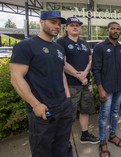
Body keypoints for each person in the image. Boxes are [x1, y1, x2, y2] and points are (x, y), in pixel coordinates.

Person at [9, 11, 74, 156]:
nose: (57, 26)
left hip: (63, 106)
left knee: (62, 147)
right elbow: (16, 78)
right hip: (43, 110)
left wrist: (68, 98)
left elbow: (61, 73)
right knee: (42, 151)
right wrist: (36, 104)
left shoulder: (58, 48)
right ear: (42, 22)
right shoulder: (25, 46)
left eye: (59, 24)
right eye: (53, 22)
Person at [56, 17, 99, 146]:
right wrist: (78, 75)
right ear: (67, 28)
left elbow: (91, 60)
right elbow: (62, 63)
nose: (75, 27)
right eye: (72, 25)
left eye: (77, 25)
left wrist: (85, 73)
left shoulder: (84, 43)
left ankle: (85, 135)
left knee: (85, 110)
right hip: (70, 85)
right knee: (69, 114)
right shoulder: (61, 42)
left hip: (85, 83)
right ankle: (65, 141)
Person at [92, 22, 121, 157]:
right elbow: (95, 69)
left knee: (115, 114)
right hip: (106, 89)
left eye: (118, 29)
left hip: (119, 87)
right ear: (108, 30)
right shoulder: (100, 47)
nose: (116, 31)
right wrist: (100, 89)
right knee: (103, 116)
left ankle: (112, 135)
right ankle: (102, 142)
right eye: (113, 28)